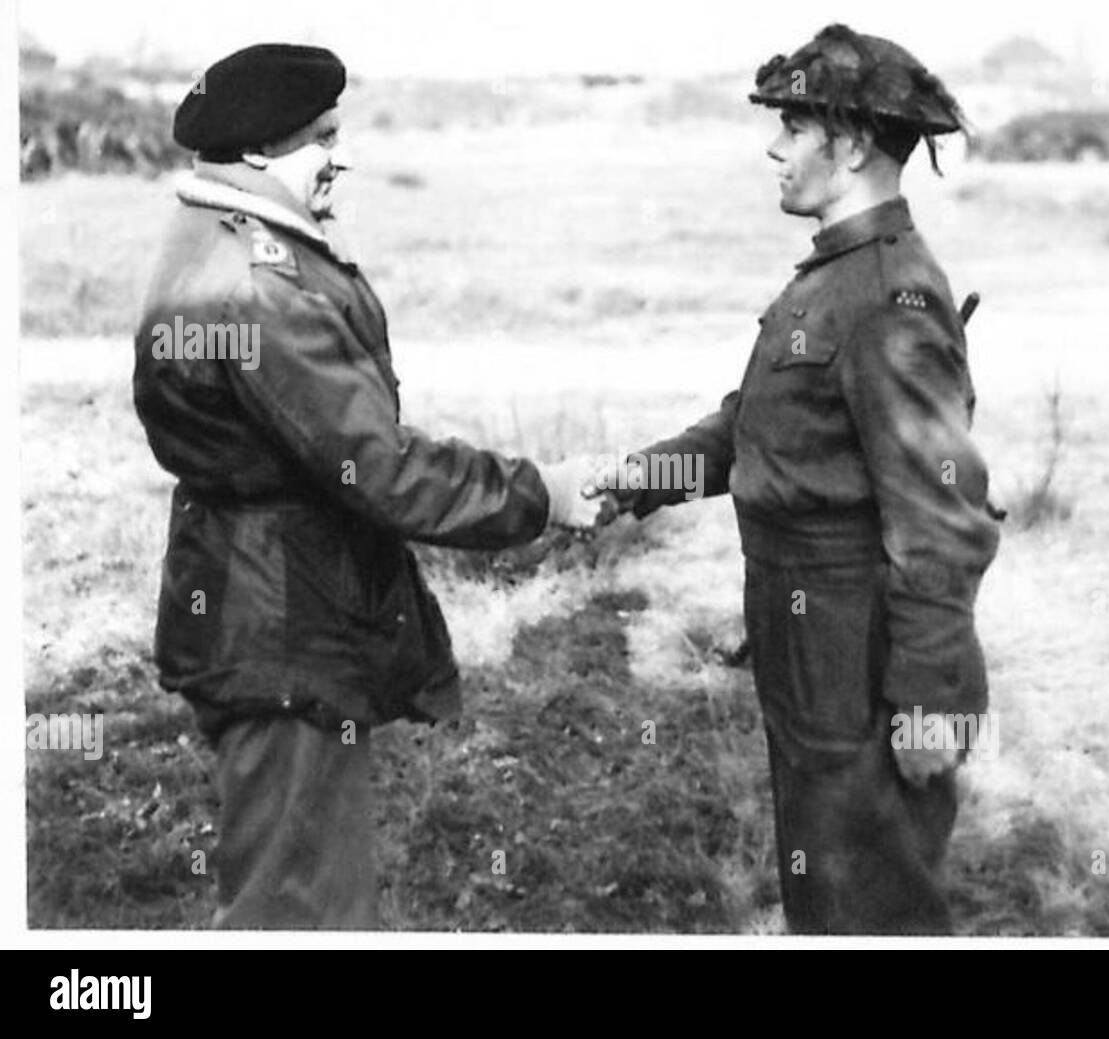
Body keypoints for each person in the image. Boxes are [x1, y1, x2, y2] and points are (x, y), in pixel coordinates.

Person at [132, 43, 601, 928]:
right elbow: (379, 467)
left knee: (294, 880)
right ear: (261, 155)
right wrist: (547, 493)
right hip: (281, 624)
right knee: (299, 903)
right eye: (323, 137)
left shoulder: (213, 239)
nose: (338, 156)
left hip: (257, 603)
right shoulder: (256, 290)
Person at [591, 24, 1002, 934]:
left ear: (851, 145)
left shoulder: (890, 297)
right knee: (827, 893)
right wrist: (635, 480)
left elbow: (941, 516)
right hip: (812, 647)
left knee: (873, 904)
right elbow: (756, 426)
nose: (774, 149)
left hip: (859, 655)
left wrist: (931, 704)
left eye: (794, 130)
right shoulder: (834, 278)